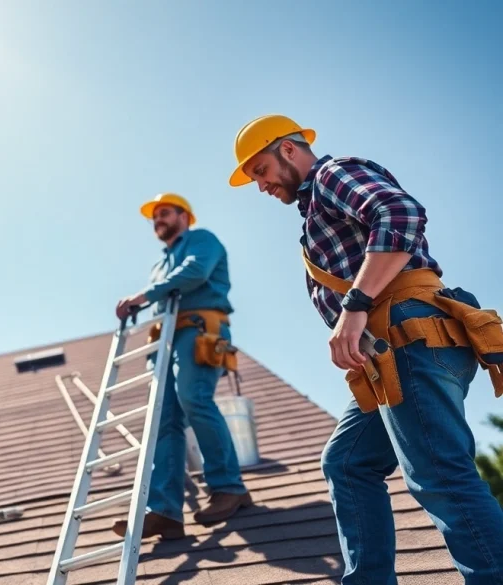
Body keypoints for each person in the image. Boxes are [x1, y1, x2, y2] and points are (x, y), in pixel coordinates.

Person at [228, 114, 503, 584]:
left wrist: (355, 305)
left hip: (407, 339)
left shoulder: (334, 173)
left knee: (439, 475)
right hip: (390, 354)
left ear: (288, 150)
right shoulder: (314, 210)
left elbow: (401, 214)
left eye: (260, 171)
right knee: (348, 462)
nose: (260, 186)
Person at [112, 193, 251, 540]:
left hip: (198, 331)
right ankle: (165, 511)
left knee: (195, 399)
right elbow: (165, 290)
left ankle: (228, 487)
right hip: (165, 341)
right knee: (164, 421)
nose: (158, 219)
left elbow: (194, 272)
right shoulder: (158, 266)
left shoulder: (202, 240)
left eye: (165, 212)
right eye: (154, 216)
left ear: (184, 216)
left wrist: (143, 297)